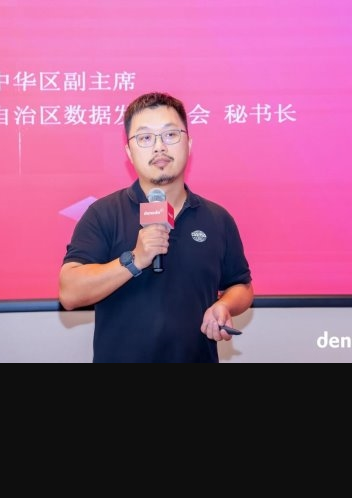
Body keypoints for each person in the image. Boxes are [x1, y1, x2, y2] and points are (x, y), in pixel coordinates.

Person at [59, 92, 253, 362]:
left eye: (170, 135)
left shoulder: (217, 218)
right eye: (145, 138)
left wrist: (224, 305)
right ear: (129, 152)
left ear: (189, 143)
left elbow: (242, 287)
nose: (159, 147)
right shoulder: (103, 214)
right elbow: (69, 293)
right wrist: (134, 259)